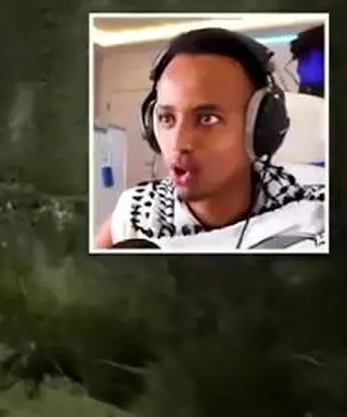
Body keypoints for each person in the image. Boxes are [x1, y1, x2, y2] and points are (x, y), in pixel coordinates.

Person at [94, 27, 327, 251]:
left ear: (259, 127)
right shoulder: (135, 216)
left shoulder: (315, 210)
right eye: (167, 118)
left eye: (207, 119)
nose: (178, 144)